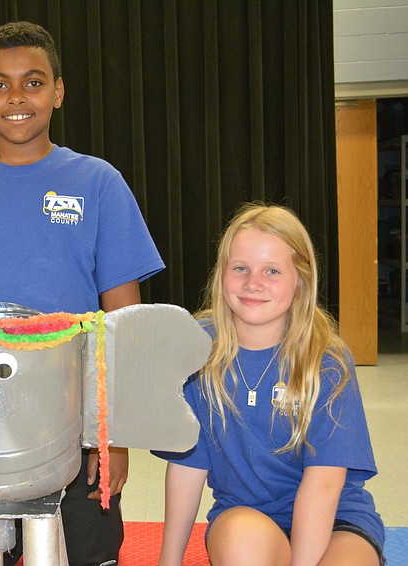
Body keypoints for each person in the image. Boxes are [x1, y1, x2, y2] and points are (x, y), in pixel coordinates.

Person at [0, 21, 164, 566]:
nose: (16, 97)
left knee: (88, 551)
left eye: (33, 82)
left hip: (76, 425)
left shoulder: (98, 183)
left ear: (58, 91)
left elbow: (125, 323)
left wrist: (113, 437)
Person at [155, 203, 385, 566]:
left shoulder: (326, 359)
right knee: (241, 542)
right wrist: (168, 562)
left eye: (272, 271)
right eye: (240, 268)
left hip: (336, 521)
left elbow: (325, 484)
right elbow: (187, 468)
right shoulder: (196, 349)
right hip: (247, 519)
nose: (253, 283)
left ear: (300, 281)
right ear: (222, 273)